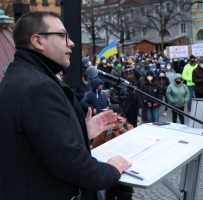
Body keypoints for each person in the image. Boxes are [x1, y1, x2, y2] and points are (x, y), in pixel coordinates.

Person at [0, 11, 131, 200]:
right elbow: (73, 165)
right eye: (62, 36)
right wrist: (112, 169)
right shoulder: (40, 87)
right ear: (38, 41)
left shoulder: (20, 77)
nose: (71, 43)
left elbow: (36, 143)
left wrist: (81, 132)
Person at [91, 104, 134, 200]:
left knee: (125, 195)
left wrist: (121, 128)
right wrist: (103, 130)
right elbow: (95, 146)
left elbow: (132, 143)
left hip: (124, 169)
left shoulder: (129, 126)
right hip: (110, 167)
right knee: (109, 194)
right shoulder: (106, 130)